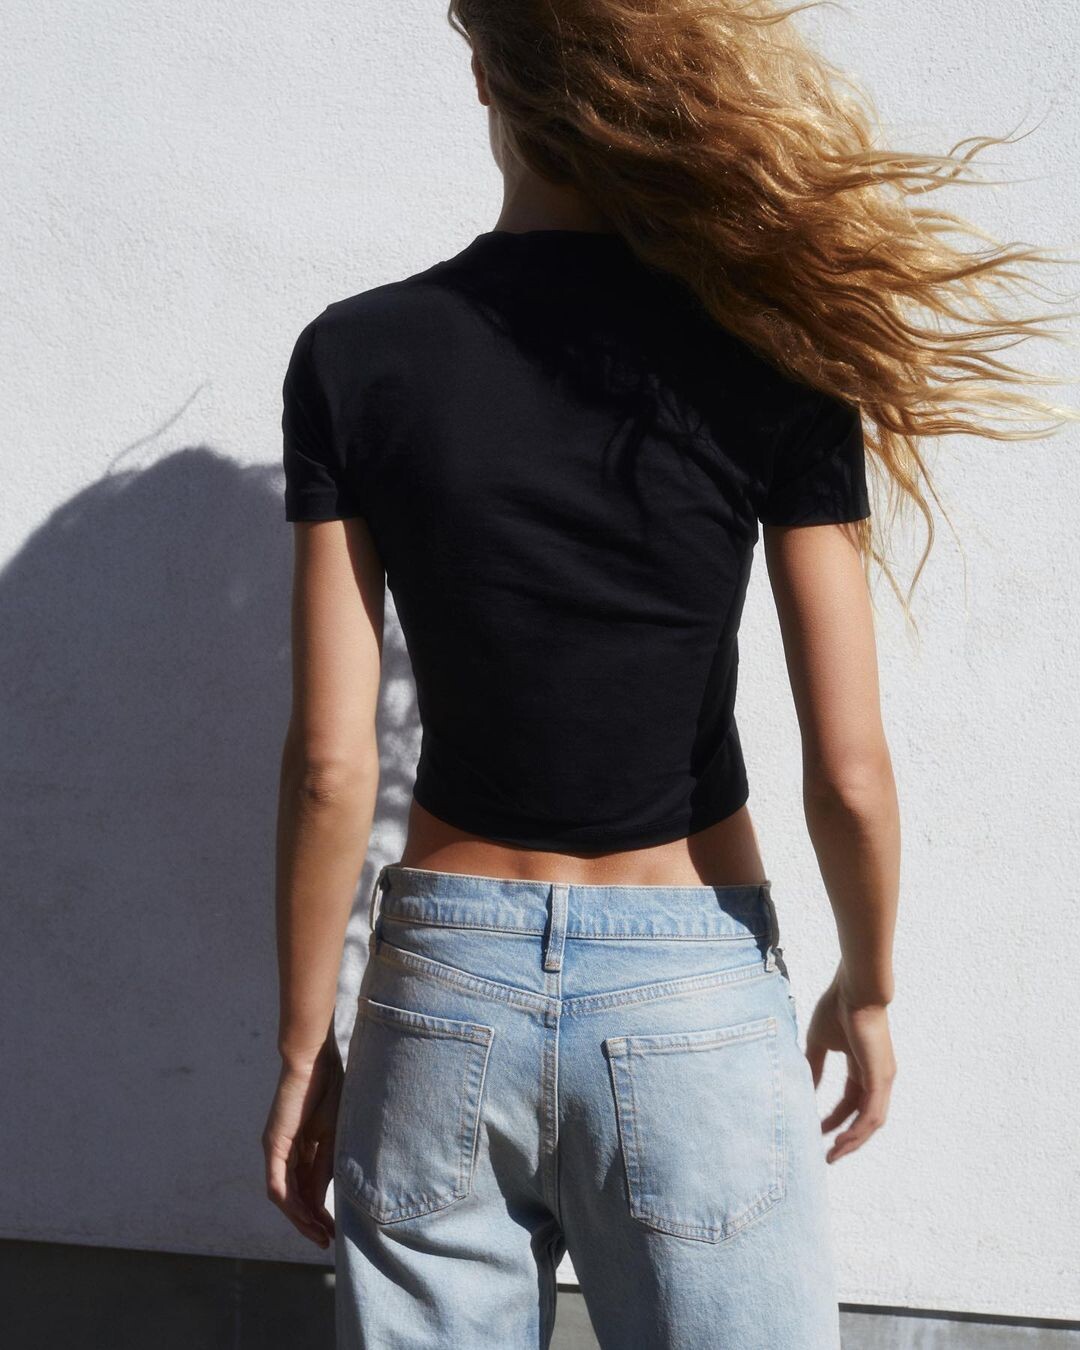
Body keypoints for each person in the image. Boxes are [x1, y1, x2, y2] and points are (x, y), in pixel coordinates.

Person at [262, 2, 1073, 1346]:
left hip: (445, 984)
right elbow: (850, 770)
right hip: (689, 980)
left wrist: (305, 1044)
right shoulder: (774, 351)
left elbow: (333, 765)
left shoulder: (354, 354)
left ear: (486, 77)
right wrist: (868, 984)